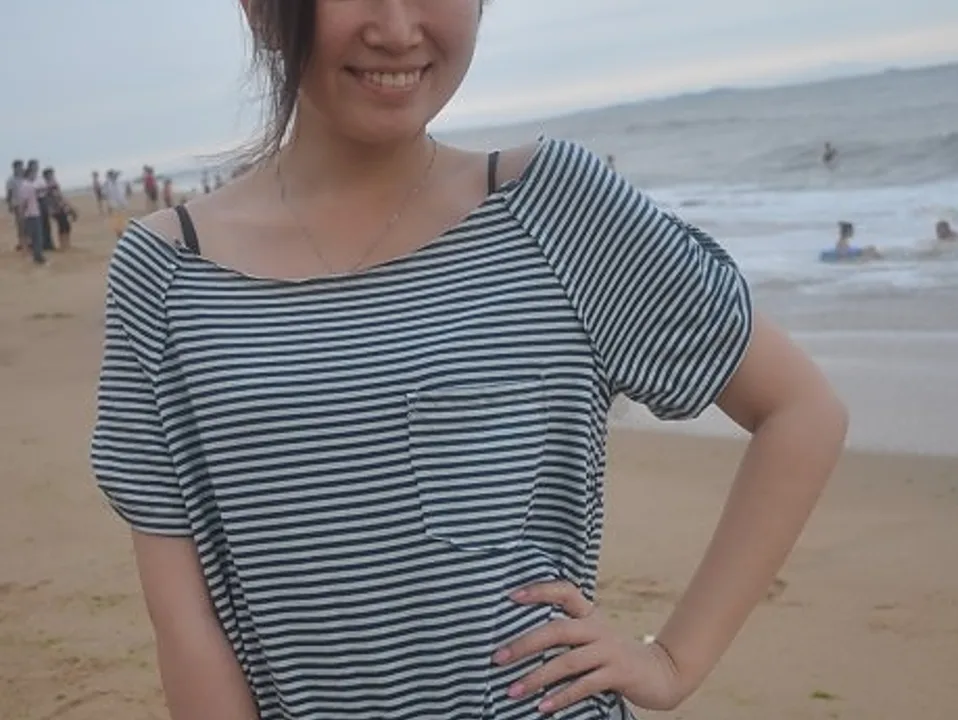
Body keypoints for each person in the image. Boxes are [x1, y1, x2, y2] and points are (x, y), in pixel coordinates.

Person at [90, 3, 847, 719]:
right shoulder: (169, 275)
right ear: (261, 10)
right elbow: (186, 621)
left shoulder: (551, 211)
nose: (396, 28)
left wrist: (674, 660)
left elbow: (800, 411)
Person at [42, 167, 77, 250]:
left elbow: (59, 195)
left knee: (65, 225)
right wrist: (67, 205)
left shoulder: (51, 183)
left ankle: (66, 243)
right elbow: (57, 196)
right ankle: (63, 244)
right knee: (63, 225)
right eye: (50, 174)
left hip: (59, 207)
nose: (52, 175)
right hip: (56, 208)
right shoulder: (49, 185)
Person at [17, 163, 45, 265]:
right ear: (29, 174)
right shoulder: (26, 186)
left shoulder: (27, 185)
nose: (34, 175)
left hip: (33, 213)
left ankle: (37, 256)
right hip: (31, 214)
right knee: (36, 237)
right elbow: (23, 202)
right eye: (33, 173)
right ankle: (38, 257)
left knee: (35, 236)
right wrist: (22, 214)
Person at [102, 170, 128, 239]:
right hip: (112, 205)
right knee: (115, 220)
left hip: (121, 204)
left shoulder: (119, 182)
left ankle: (121, 232)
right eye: (112, 175)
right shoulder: (107, 184)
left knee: (121, 219)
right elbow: (104, 194)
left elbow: (122, 193)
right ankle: (119, 233)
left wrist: (124, 203)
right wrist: (108, 204)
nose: (114, 176)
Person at [6, 160, 26, 250]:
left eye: (21, 166)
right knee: (20, 224)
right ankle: (21, 243)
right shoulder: (11, 180)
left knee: (28, 223)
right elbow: (9, 194)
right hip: (17, 204)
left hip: (27, 204)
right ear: (14, 168)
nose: (20, 168)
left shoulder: (25, 178)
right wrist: (10, 205)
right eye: (18, 167)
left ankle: (29, 241)